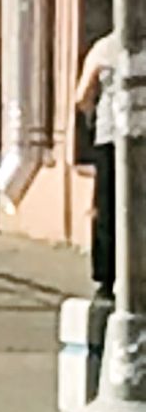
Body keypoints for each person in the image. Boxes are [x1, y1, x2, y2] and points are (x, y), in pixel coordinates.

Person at [74, 31, 136, 300]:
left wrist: (94, 117)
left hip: (110, 137)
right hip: (140, 136)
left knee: (107, 207)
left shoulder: (105, 48)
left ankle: (105, 276)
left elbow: (82, 96)